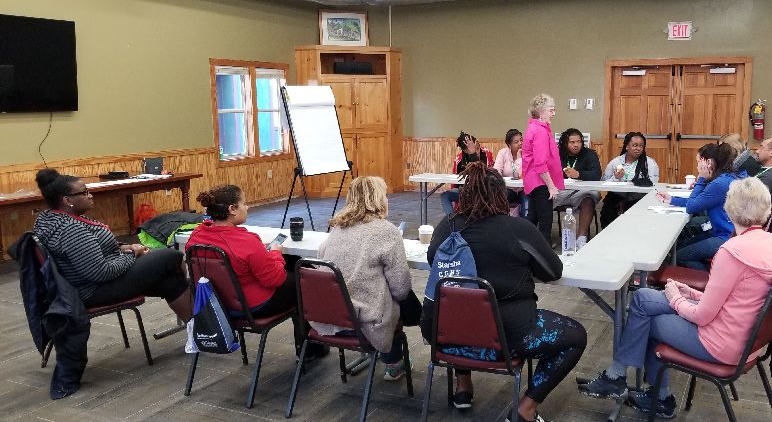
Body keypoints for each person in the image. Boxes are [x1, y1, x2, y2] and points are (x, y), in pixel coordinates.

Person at [579, 177, 772, 419]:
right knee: (643, 298)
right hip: (749, 339)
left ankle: (646, 391)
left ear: (729, 207)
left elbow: (702, 316)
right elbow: (736, 298)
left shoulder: (732, 253)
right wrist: (689, 293)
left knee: (647, 318)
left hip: (722, 343)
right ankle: (623, 379)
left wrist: (675, 299)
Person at [421, 162, 586, 422]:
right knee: (576, 336)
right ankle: (526, 408)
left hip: (444, 334)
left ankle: (463, 385)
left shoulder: (448, 226)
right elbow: (552, 270)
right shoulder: (518, 229)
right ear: (502, 195)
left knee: (463, 309)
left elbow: (434, 261)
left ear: (464, 194)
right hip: (509, 337)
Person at [186, 185, 329, 361]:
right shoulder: (247, 240)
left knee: (293, 264)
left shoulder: (197, 236)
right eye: (243, 203)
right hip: (252, 305)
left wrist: (262, 253)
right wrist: (275, 252)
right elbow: (275, 279)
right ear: (232, 209)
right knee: (303, 282)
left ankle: (309, 347)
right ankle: (309, 349)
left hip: (218, 304)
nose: (247, 207)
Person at [32, 168, 192, 323]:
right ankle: (202, 329)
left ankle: (197, 330)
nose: (90, 196)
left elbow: (91, 248)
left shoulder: (51, 218)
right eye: (84, 192)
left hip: (95, 280)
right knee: (172, 256)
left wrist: (123, 247)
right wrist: (132, 255)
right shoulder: (70, 229)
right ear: (67, 200)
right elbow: (100, 272)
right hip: (92, 290)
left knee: (171, 281)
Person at [317, 176, 415, 381]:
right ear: (378, 198)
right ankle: (393, 362)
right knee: (403, 297)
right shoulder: (386, 231)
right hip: (367, 322)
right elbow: (401, 289)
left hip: (332, 317)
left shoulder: (336, 228)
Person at [656, 143, 746, 270]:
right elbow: (702, 200)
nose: (698, 167)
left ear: (708, 163)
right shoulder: (727, 177)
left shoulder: (719, 184)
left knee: (680, 256)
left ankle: (711, 279)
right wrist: (672, 200)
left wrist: (702, 180)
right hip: (725, 232)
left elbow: (692, 207)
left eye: (699, 162)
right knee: (680, 246)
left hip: (725, 237)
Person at [522, 93, 565, 244]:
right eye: (551, 110)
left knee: (533, 218)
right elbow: (540, 163)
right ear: (541, 111)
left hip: (534, 180)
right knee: (545, 221)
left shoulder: (535, 128)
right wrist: (551, 186)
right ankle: (544, 256)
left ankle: (528, 250)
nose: (554, 114)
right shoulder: (540, 131)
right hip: (540, 181)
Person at [600, 131, 660, 227]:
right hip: (616, 196)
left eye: (641, 146)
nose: (638, 149)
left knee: (634, 214)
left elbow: (652, 184)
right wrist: (615, 177)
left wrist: (628, 199)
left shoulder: (650, 163)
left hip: (639, 198)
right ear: (627, 146)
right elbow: (603, 182)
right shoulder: (615, 162)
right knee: (608, 213)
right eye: (635, 145)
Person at [555, 128, 602, 248]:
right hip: (560, 191)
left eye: (579, 141)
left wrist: (579, 174)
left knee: (589, 199)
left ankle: (581, 238)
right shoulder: (556, 154)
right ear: (565, 143)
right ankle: (541, 235)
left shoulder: (590, 154)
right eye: (572, 142)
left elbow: (596, 174)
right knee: (541, 196)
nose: (576, 145)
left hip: (582, 192)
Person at [441, 131, 494, 215]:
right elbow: (456, 182)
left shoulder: (487, 154)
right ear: (464, 151)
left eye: (476, 148)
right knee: (445, 196)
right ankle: (452, 220)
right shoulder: (459, 159)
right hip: (465, 191)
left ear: (477, 142)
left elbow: (483, 175)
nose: (476, 151)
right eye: (469, 151)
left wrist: (473, 155)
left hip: (483, 192)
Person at [494, 128, 529, 217]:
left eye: (521, 140)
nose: (520, 143)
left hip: (523, 189)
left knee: (527, 209)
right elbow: (496, 172)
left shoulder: (528, 154)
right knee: (501, 198)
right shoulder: (503, 153)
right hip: (508, 188)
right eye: (516, 142)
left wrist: (519, 158)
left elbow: (522, 176)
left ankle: (526, 228)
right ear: (509, 145)